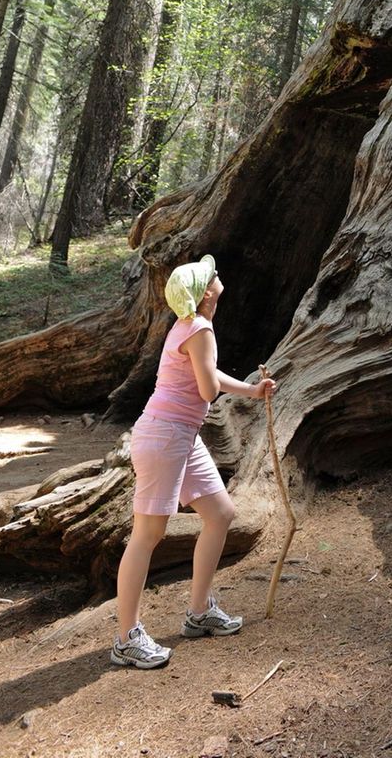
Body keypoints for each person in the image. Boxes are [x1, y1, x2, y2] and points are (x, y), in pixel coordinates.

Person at [111, 254, 276, 669]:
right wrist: (220, 382)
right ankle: (126, 637)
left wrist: (252, 392)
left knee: (220, 513)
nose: (220, 277)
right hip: (165, 436)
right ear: (206, 293)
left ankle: (199, 611)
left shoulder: (189, 327)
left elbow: (210, 374)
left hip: (180, 436)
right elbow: (206, 388)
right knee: (147, 535)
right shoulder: (200, 329)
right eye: (214, 275)